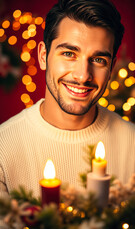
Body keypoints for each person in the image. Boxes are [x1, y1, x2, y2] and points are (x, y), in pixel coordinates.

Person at [0, 0, 135, 199]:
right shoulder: (3, 148)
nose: (82, 76)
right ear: (44, 56)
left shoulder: (132, 145)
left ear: (111, 68)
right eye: (69, 54)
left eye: (99, 60)